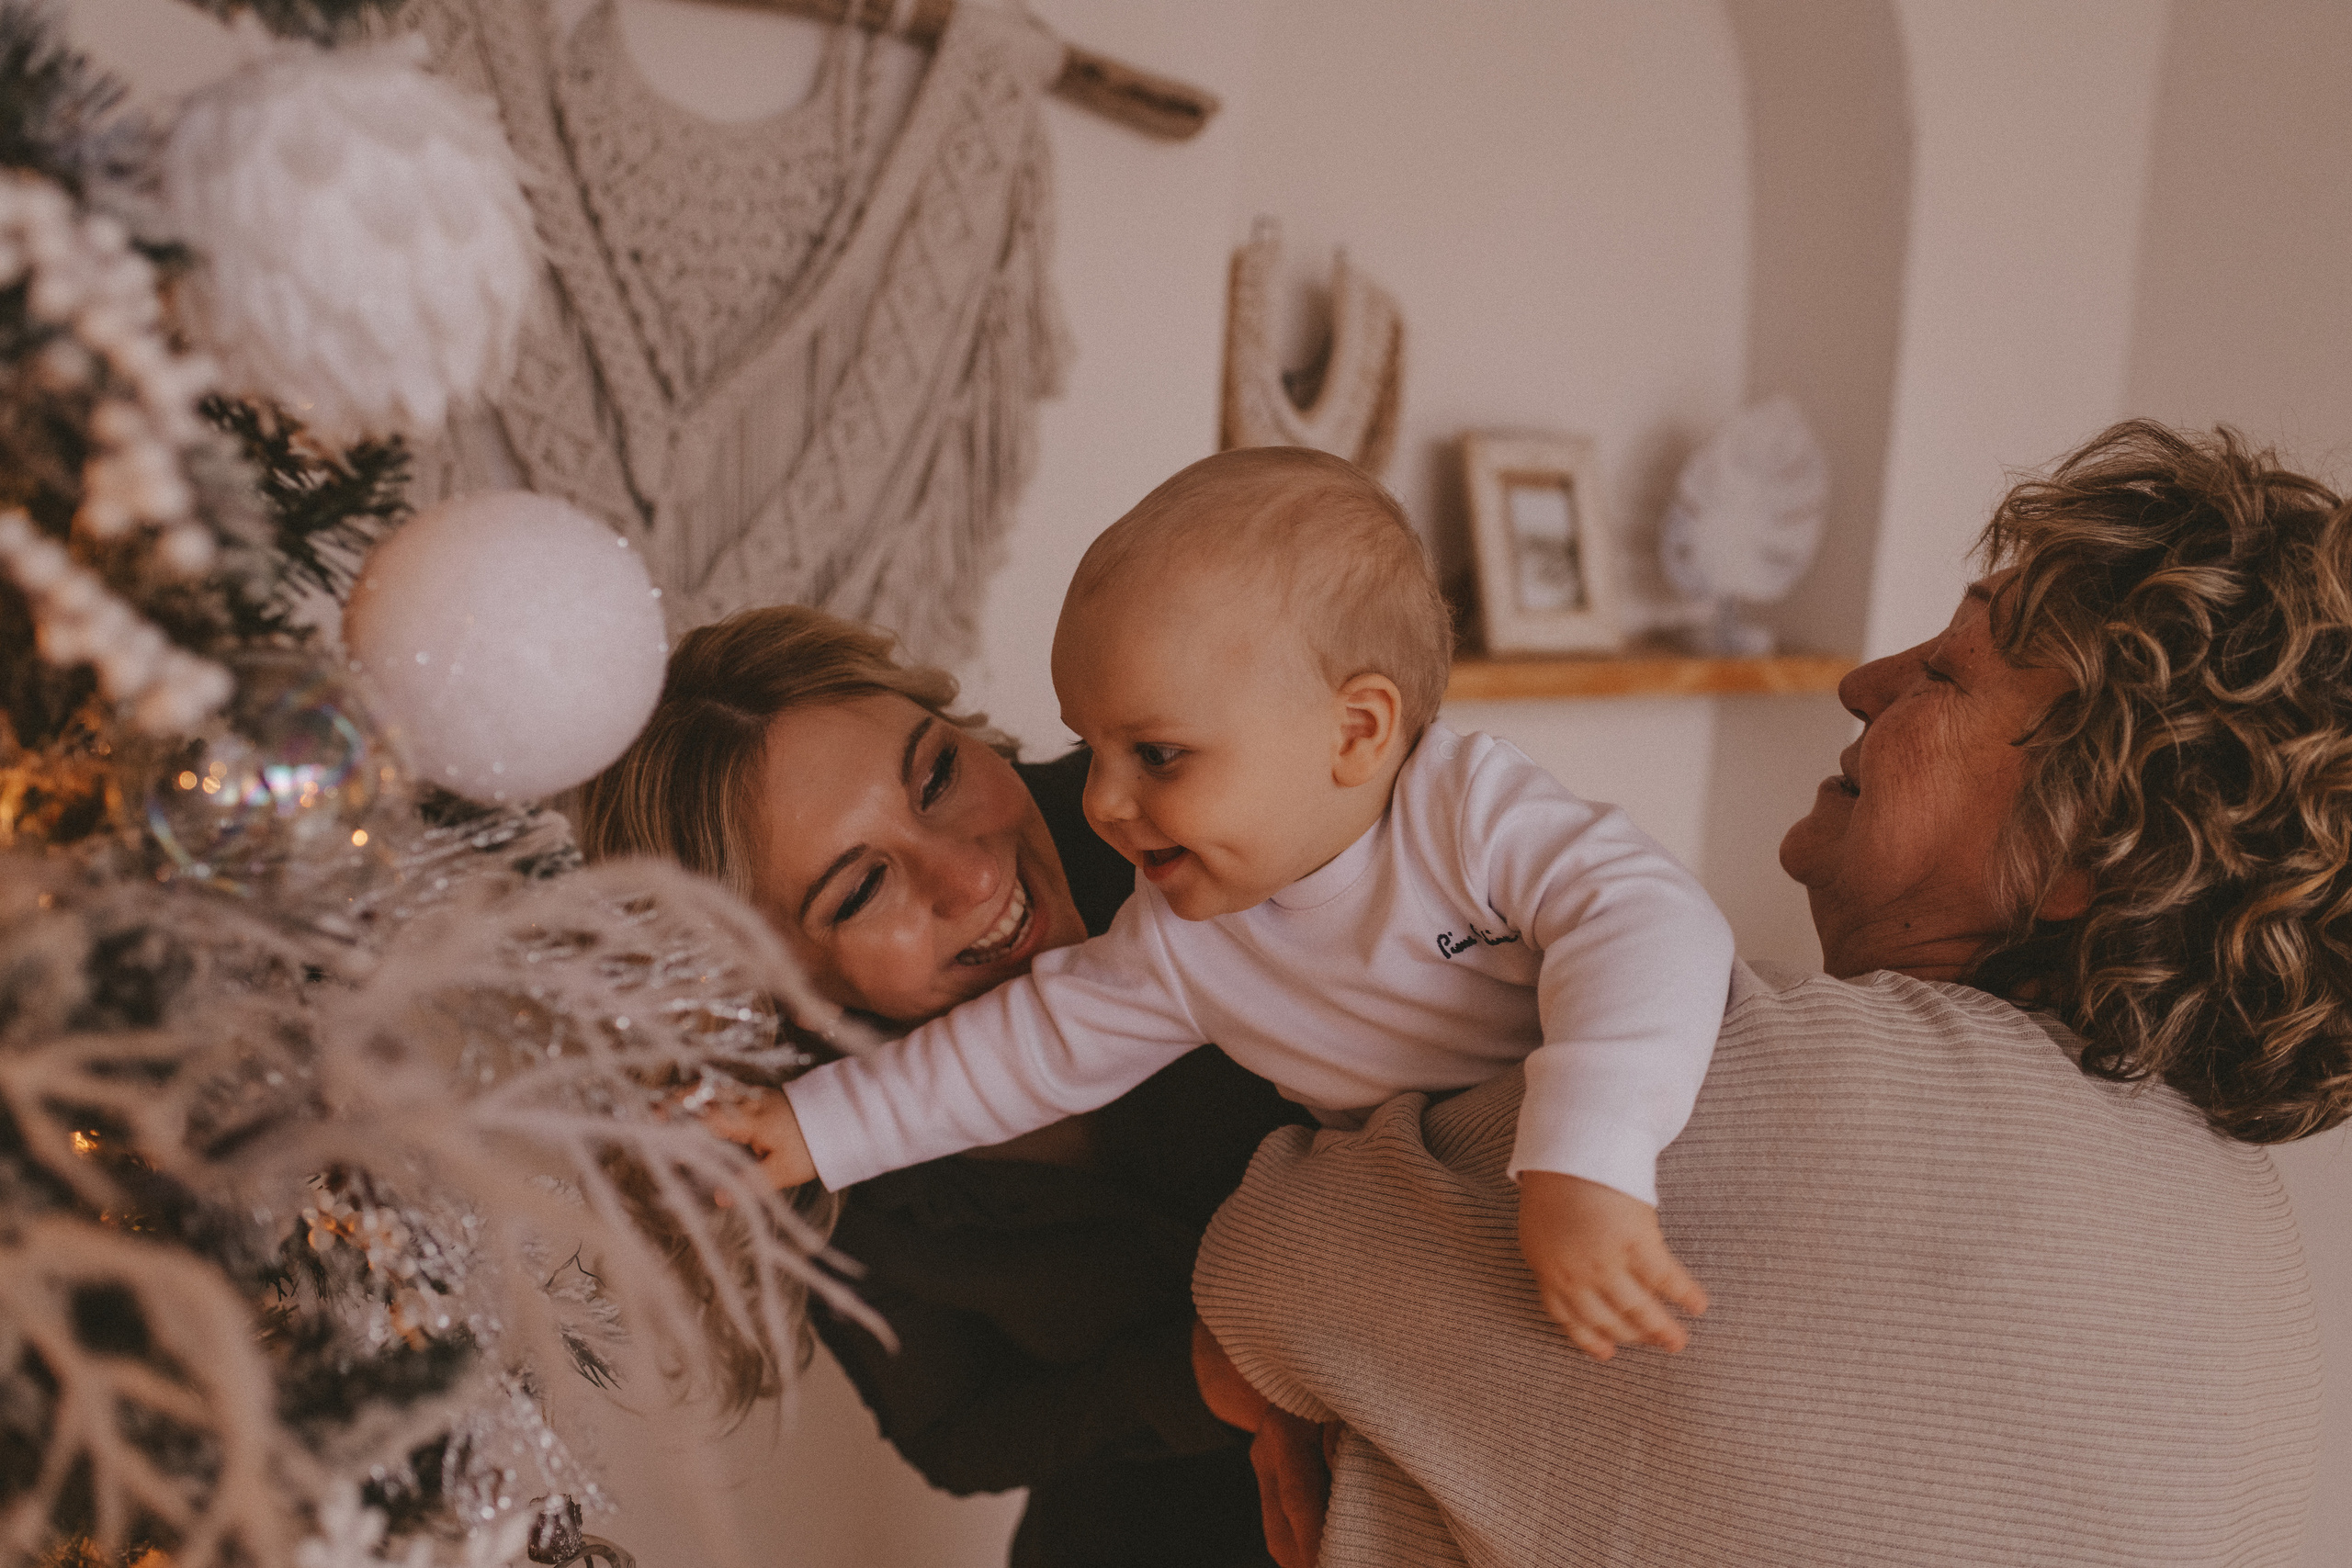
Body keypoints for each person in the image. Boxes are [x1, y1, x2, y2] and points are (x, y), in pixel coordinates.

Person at [1190, 421, 2347, 1566]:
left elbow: (1256, 1275)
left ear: (2087, 847)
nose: (1860, 683)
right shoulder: (2253, 1245)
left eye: (1946, 674)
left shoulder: (1779, 1085)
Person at [716, 446, 1737, 1360]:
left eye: (1155, 755)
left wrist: (1586, 1156)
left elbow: (1647, 920)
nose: (1105, 801)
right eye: (1094, 746)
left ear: (1355, 733)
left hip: (1631, 1154)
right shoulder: (1175, 939)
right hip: (1448, 1230)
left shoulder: (1463, 812)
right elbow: (1013, 1053)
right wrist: (815, 1129)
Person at [576, 607, 1318, 1568]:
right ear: (777, 999)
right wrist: (1197, 1383)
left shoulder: (1191, 830)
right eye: (856, 890)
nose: (970, 873)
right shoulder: (800, 1158)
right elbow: (957, 1432)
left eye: (935, 776)